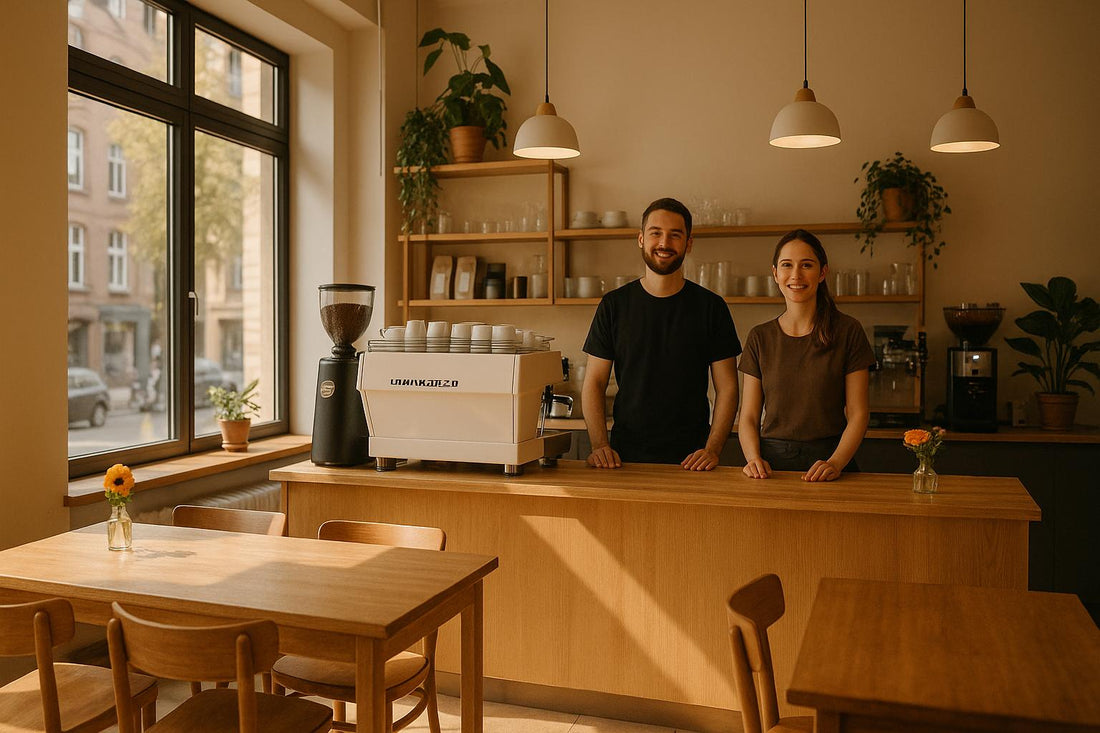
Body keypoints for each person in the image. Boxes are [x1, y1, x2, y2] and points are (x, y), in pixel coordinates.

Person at [581, 197, 741, 469]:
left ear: (688, 244)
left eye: (675, 235)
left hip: (693, 462)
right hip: (624, 459)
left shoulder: (711, 307)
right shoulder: (614, 305)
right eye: (656, 233)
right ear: (641, 239)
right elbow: (594, 382)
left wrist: (712, 449)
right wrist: (599, 446)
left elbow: (727, 388)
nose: (664, 243)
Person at [738, 229, 875, 481]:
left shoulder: (848, 331)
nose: (796, 275)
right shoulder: (760, 337)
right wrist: (753, 459)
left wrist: (836, 463)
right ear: (775, 274)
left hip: (831, 462)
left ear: (822, 273)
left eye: (807, 265)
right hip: (770, 468)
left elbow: (858, 413)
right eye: (787, 265)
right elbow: (748, 416)